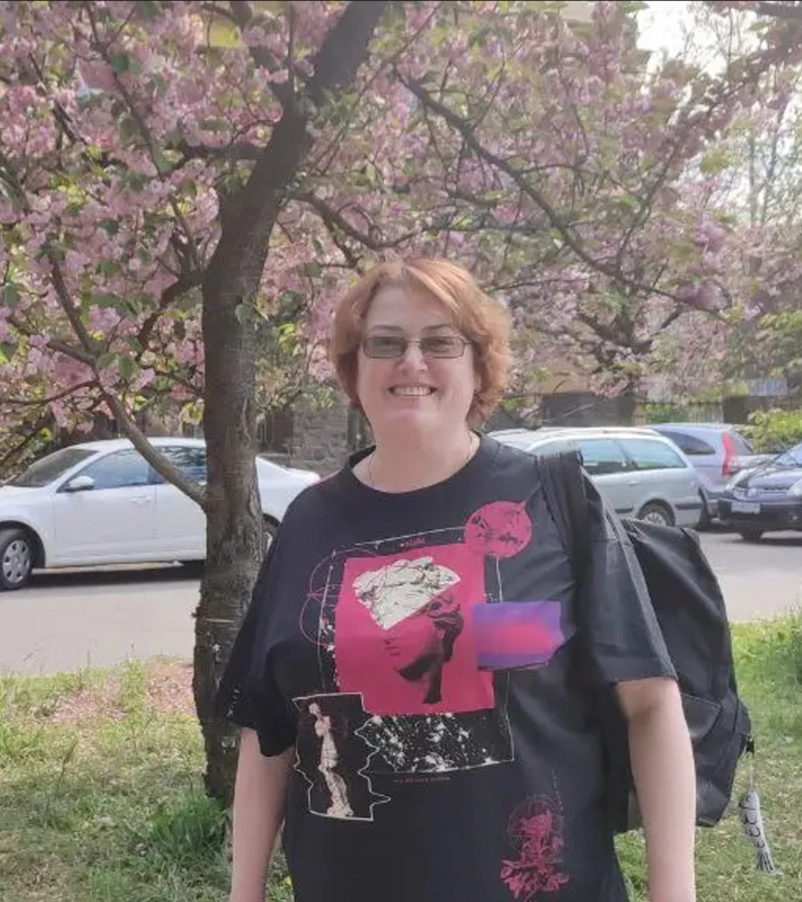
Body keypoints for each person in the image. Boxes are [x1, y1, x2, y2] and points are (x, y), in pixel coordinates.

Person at [216, 257, 697, 902]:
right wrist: (243, 892)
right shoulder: (309, 521)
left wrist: (675, 889)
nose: (412, 362)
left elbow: (651, 704)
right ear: (354, 368)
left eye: (440, 342)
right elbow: (269, 732)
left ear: (478, 366)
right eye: (385, 343)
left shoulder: (551, 501)